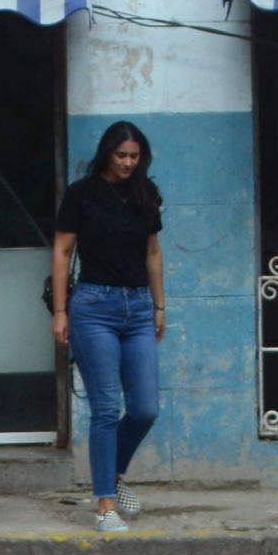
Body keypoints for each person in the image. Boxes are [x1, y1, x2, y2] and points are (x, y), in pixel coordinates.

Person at [51, 120, 164, 534]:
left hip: (136, 307)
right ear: (106, 154)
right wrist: (61, 311)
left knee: (145, 408)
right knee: (104, 409)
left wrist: (159, 306)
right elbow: (63, 252)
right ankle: (104, 506)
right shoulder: (82, 195)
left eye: (134, 156)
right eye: (121, 156)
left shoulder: (146, 194)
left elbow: (153, 252)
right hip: (93, 307)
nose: (128, 163)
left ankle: (111, 476)